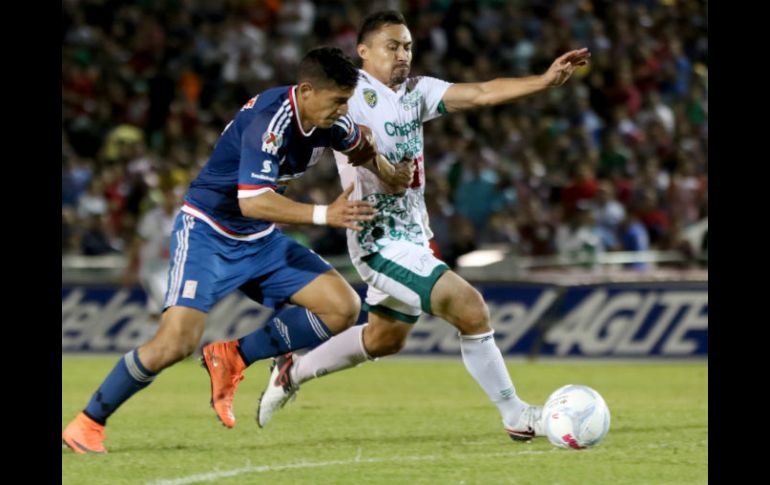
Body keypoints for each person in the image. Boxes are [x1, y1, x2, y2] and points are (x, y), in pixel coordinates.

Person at [256, 11, 590, 442]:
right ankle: (517, 415)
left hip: (414, 234)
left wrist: (543, 81)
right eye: (392, 46)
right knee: (470, 308)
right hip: (377, 238)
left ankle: (291, 371)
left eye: (408, 46)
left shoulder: (418, 92)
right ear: (364, 51)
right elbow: (303, 128)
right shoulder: (347, 96)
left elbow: (484, 92)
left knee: (385, 338)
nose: (402, 55)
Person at [62, 46, 388, 454]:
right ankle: (87, 423)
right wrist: (326, 214)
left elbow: (362, 146)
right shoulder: (269, 122)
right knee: (174, 343)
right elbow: (253, 201)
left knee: (341, 307)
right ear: (306, 90)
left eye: (347, 101)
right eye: (338, 100)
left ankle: (234, 355)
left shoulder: (327, 120)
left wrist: (390, 167)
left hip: (259, 238)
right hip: (208, 233)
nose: (343, 109)